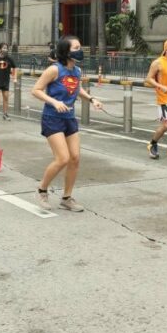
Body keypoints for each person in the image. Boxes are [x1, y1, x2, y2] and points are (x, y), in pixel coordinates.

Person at [32, 36, 103, 211]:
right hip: (52, 118)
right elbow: (36, 90)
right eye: (76, 48)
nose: (80, 51)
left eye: (80, 47)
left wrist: (92, 99)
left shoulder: (76, 71)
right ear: (66, 51)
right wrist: (54, 102)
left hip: (69, 118)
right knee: (62, 158)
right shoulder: (54, 70)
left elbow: (76, 88)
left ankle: (66, 197)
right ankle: (41, 190)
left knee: (75, 158)